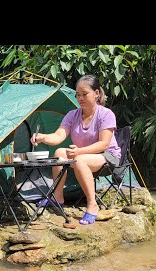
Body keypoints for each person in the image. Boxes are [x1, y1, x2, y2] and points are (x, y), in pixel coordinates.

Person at [30, 74, 121, 225]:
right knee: (59, 152)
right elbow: (59, 136)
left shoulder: (106, 114)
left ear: (96, 93)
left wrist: (79, 151)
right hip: (82, 156)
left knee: (79, 159)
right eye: (78, 95)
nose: (80, 98)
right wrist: (43, 137)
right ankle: (57, 197)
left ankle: (92, 205)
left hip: (107, 156)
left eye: (84, 94)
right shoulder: (72, 115)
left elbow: (104, 144)